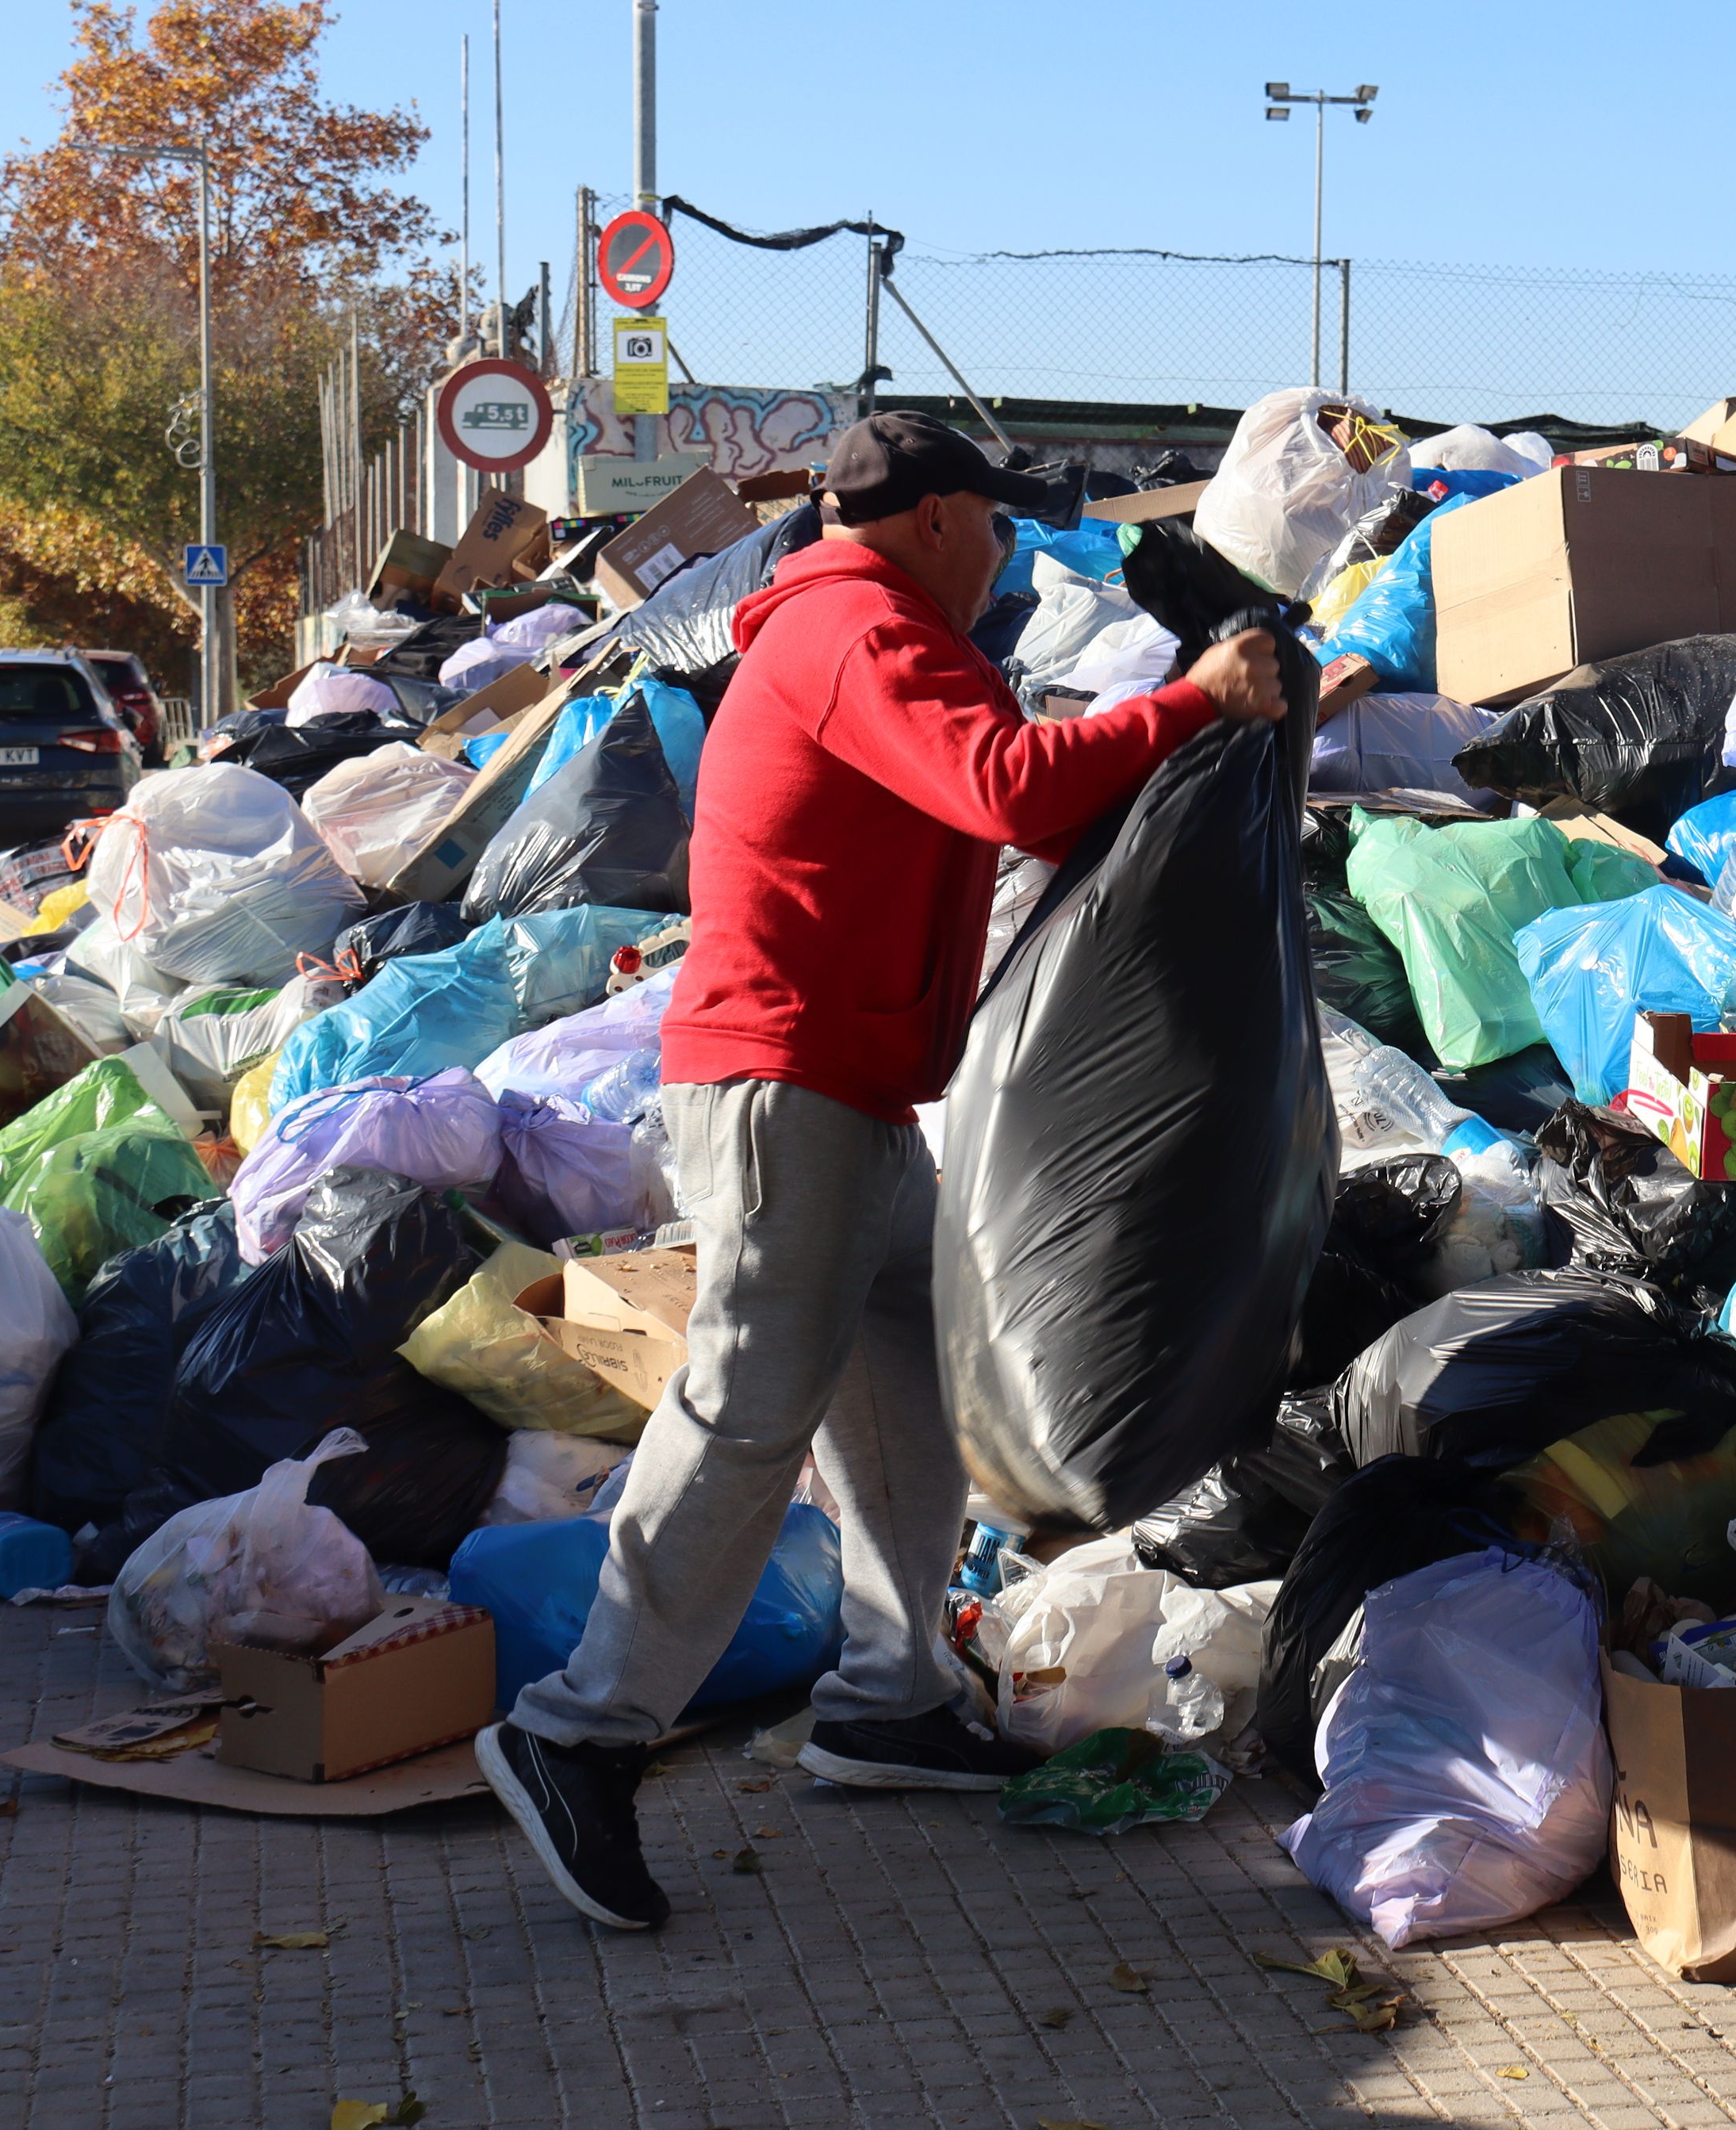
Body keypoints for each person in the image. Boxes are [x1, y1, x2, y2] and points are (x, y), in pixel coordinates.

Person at [477, 412, 1287, 1931]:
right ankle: (575, 1730)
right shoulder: (858, 630)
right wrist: (1189, 706)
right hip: (782, 1085)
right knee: (749, 1405)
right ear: (931, 518)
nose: (1004, 547)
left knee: (910, 1355)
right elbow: (1005, 787)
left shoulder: (880, 637)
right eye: (991, 519)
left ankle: (889, 1696)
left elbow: (1006, 797)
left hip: (843, 1090)